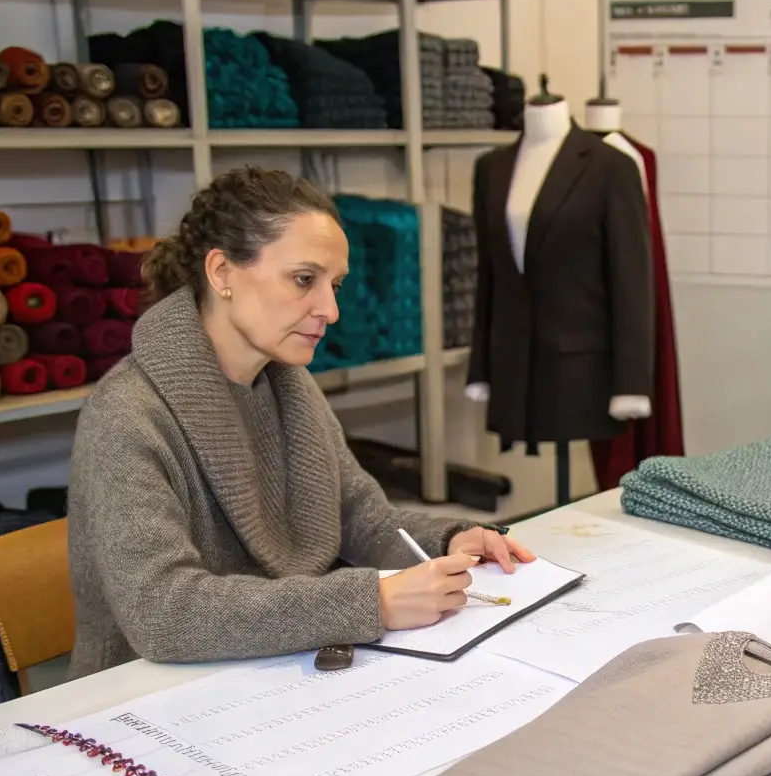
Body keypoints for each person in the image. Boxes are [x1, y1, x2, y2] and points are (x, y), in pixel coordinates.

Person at [66, 167, 533, 678]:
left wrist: (451, 540)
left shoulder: (287, 383)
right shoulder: (127, 414)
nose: (330, 310)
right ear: (221, 272)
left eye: (334, 285)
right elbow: (163, 613)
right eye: (304, 280)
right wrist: (370, 602)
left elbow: (359, 517)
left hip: (269, 675)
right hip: (141, 702)